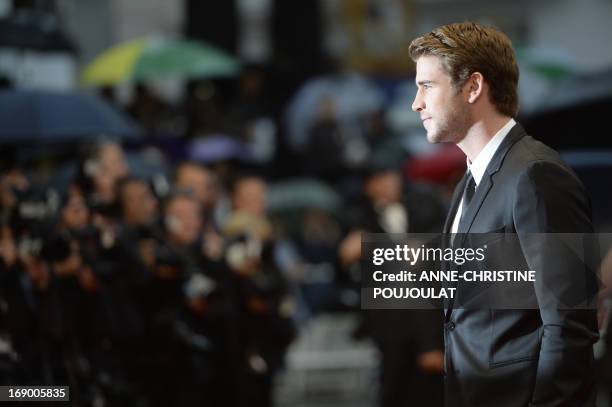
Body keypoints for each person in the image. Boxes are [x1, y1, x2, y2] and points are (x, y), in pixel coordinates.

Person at [409, 22, 599, 406]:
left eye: (427, 85)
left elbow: (569, 324)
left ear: (474, 87)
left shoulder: (536, 174)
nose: (416, 102)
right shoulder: (469, 181)